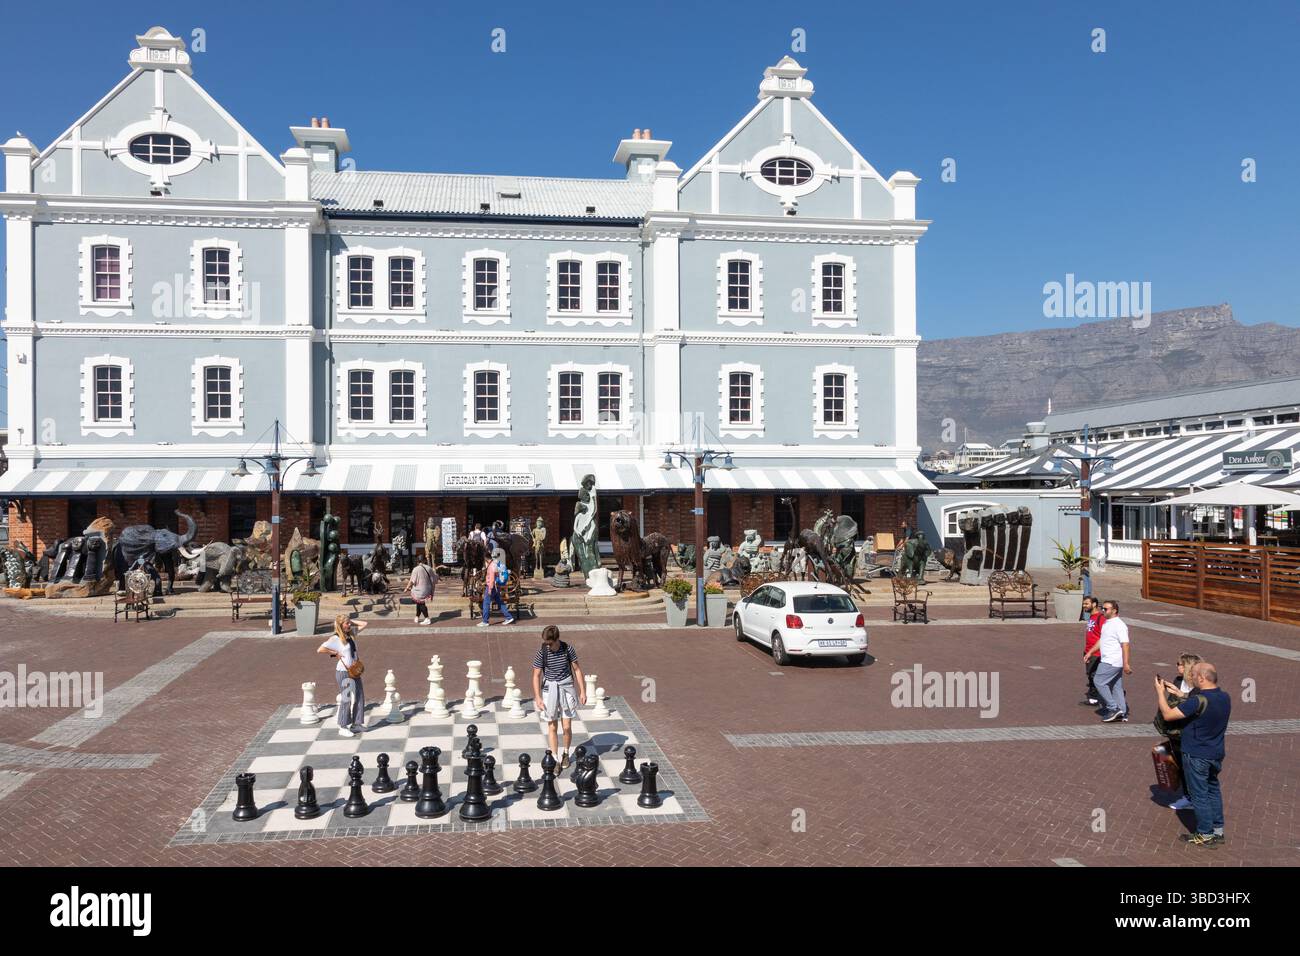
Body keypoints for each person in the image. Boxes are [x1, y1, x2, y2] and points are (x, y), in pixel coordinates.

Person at [1154, 661, 1230, 847]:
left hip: (1196, 753)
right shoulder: (1224, 696)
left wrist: (1160, 693)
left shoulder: (1197, 701)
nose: (1191, 678)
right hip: (1216, 752)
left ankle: (1204, 833)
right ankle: (1218, 830)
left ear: (1202, 678)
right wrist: (1180, 694)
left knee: (1199, 794)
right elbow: (1196, 702)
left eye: (1194, 675)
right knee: (1213, 789)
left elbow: (1168, 715)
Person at [531, 625, 587, 771]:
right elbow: (536, 675)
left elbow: (577, 670)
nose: (547, 645)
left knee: (567, 727)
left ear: (557, 640)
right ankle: (555, 758)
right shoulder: (542, 652)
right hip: (549, 691)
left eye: (550, 643)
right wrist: (537, 697)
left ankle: (566, 753)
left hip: (566, 688)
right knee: (552, 726)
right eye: (546, 642)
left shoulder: (568, 649)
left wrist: (582, 691)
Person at [1158, 653, 1203, 811]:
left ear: (1189, 667)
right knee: (1180, 765)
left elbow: (1193, 706)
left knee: (1191, 768)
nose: (1177, 666)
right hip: (1175, 731)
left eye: (1180, 664)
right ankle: (1188, 796)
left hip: (1190, 733)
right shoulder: (1178, 680)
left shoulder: (1199, 687)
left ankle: (1194, 798)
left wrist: (1164, 694)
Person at [316, 614, 369, 737]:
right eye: (347, 623)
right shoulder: (336, 638)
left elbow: (364, 624)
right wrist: (334, 653)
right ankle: (343, 726)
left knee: (360, 696)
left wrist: (351, 621)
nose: (349, 625)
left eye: (349, 623)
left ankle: (356, 723)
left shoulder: (350, 635)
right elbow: (320, 649)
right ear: (340, 625)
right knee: (346, 699)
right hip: (343, 672)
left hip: (354, 671)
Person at [1092, 599, 1131, 722]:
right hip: (1110, 660)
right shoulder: (1107, 623)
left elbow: (1125, 644)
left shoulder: (1119, 625)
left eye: (1106, 609)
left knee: (1098, 681)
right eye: (1102, 608)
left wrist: (1126, 663)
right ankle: (1122, 712)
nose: (1103, 610)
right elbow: (1102, 640)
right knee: (1115, 686)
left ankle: (1113, 708)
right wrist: (1090, 652)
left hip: (1111, 661)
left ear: (1114, 610)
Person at [478, 548, 515, 627]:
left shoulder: (491, 567)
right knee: (499, 602)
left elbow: (491, 579)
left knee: (486, 603)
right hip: (496, 586)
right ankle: (509, 617)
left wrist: (490, 589)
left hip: (492, 587)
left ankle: (485, 621)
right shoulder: (495, 564)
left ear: (486, 559)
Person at [1079, 595, 1104, 706]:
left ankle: (1094, 698)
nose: (1084, 606)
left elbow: (1104, 636)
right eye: (1084, 604)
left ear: (1094, 604)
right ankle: (1094, 696)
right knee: (1090, 675)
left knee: (1094, 675)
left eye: (1086, 604)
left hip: (1096, 653)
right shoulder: (1091, 617)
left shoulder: (1100, 618)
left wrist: (1092, 651)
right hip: (1088, 650)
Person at [404, 553, 435, 625]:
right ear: (424, 560)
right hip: (427, 590)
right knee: (419, 603)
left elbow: (412, 581)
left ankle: (427, 618)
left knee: (421, 604)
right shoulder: (429, 568)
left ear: (417, 561)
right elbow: (434, 580)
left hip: (419, 591)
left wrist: (406, 588)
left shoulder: (416, 569)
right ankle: (417, 616)